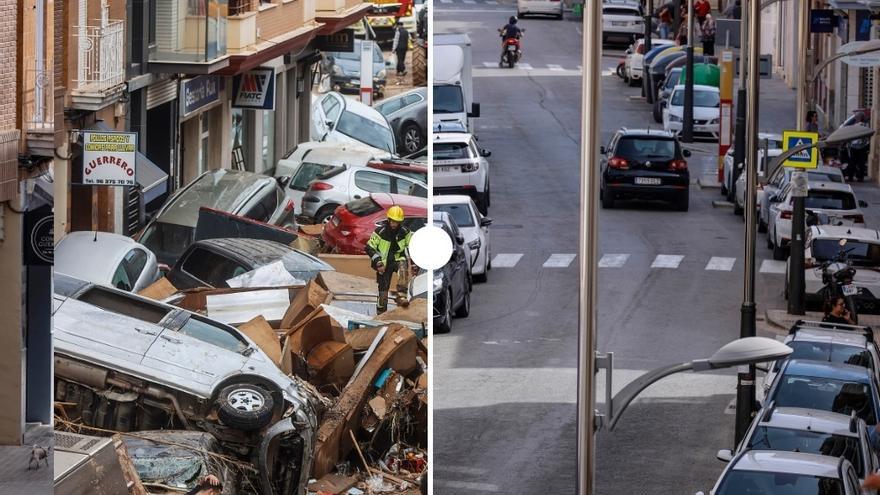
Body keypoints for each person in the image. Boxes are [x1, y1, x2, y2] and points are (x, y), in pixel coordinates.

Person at [365, 205, 415, 314]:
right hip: (383, 263)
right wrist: (378, 262)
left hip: (397, 259)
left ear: (400, 222)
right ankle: (381, 313)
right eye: (392, 221)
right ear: (388, 219)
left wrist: (415, 263)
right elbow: (369, 247)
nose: (393, 224)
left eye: (396, 221)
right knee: (383, 292)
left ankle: (401, 296)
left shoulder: (405, 232)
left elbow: (412, 247)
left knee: (403, 268)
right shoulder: (380, 232)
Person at [845, 111, 870, 182]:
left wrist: (848, 143)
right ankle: (860, 177)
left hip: (855, 147)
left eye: (856, 117)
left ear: (859, 118)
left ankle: (851, 177)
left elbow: (850, 136)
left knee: (853, 162)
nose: (856, 118)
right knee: (861, 163)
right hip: (862, 147)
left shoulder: (855, 126)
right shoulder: (866, 126)